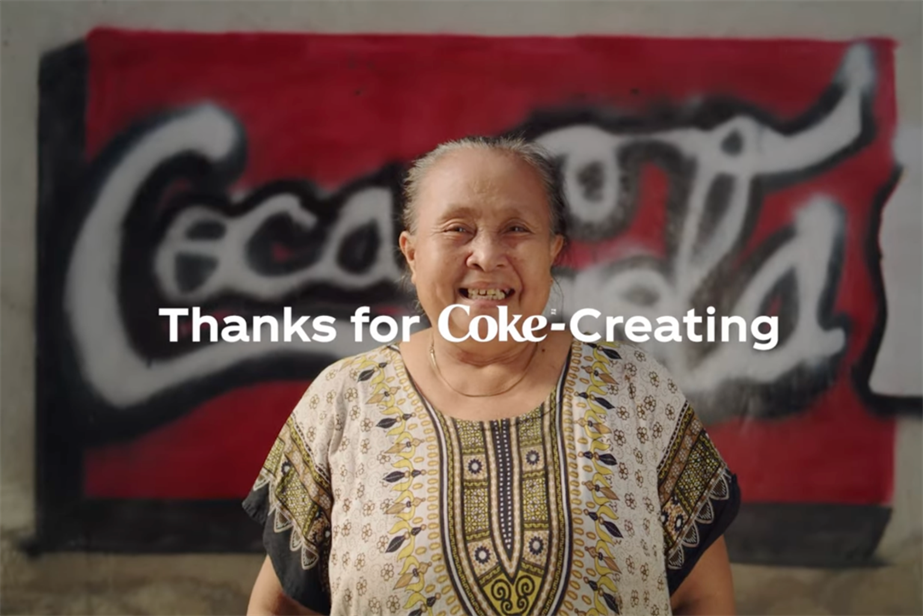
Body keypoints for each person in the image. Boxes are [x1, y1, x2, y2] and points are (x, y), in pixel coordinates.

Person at [244, 136, 741, 616]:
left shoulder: (635, 391)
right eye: (457, 228)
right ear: (412, 253)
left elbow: (702, 600)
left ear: (552, 249)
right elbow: (282, 604)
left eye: (517, 229)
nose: (486, 255)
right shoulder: (345, 398)